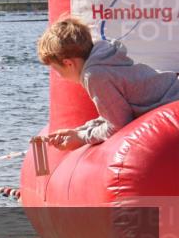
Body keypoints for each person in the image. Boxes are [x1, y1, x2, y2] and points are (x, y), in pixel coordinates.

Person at [31, 16, 179, 150]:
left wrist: (81, 139)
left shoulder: (94, 76)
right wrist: (78, 131)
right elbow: (115, 114)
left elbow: (118, 125)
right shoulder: (102, 60)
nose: (59, 76)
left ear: (68, 63)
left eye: (56, 69)